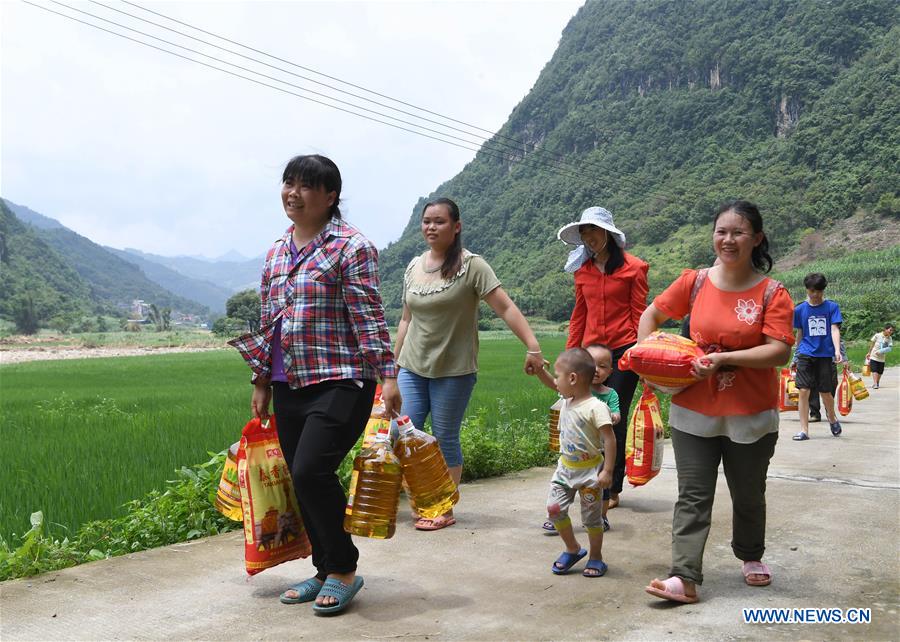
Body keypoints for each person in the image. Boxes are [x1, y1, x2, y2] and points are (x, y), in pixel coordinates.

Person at [229, 154, 400, 615]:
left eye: (305, 186)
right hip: (288, 381)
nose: (293, 193)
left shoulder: (351, 247)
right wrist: (261, 380)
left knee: (310, 471)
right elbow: (269, 322)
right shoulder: (276, 251)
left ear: (330, 196)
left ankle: (343, 567)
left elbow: (368, 316)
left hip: (342, 379)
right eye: (288, 183)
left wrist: (388, 375)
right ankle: (324, 569)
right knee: (300, 476)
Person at [639, 200, 794, 604]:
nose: (728, 239)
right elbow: (650, 315)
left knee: (748, 493)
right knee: (693, 494)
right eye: (721, 231)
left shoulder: (772, 292)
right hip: (693, 410)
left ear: (756, 239)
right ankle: (684, 575)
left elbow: (779, 351)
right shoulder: (695, 282)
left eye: (738, 232)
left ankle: (750, 554)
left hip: (751, 414)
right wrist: (647, 359)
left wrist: (724, 359)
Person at [393, 197, 544, 530]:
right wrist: (393, 364)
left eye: (439, 221)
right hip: (412, 367)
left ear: (456, 226)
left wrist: (533, 346)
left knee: (444, 437)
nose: (431, 227)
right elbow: (405, 319)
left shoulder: (472, 266)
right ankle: (422, 497)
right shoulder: (414, 266)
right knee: (402, 434)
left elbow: (505, 308)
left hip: (454, 370)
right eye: (427, 221)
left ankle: (443, 507)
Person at [558, 206, 649, 511]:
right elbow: (579, 316)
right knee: (587, 418)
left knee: (613, 417)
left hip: (624, 351)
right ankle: (589, 480)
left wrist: (642, 356)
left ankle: (611, 489)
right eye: (584, 231)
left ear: (608, 232)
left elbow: (639, 315)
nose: (588, 236)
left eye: (593, 230)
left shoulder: (635, 268)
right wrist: (570, 355)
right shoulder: (582, 272)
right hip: (591, 354)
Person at [535, 348, 616, 577]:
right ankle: (573, 549)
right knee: (554, 509)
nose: (555, 382)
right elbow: (551, 384)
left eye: (558, 376)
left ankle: (596, 557)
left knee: (591, 519)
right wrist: (539, 371)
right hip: (565, 469)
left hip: (590, 473)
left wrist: (608, 470)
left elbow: (610, 439)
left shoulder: (596, 407)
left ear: (572, 378)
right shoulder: (567, 399)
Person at [791, 273, 844, 441]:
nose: (815, 294)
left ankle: (832, 418)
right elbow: (800, 333)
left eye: (819, 291)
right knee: (803, 390)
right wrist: (796, 356)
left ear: (823, 290)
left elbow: (834, 329)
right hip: (806, 353)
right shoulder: (800, 309)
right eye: (812, 291)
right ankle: (804, 430)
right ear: (807, 290)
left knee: (825, 392)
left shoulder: (832, 307)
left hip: (825, 354)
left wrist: (837, 351)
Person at [867, 323, 894, 389]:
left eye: (892, 330)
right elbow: (872, 344)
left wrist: (881, 351)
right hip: (874, 356)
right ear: (885, 329)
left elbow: (890, 348)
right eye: (890, 330)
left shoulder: (890, 338)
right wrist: (869, 353)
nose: (891, 332)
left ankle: (877, 382)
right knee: (874, 370)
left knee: (880, 372)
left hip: (882, 358)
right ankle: (875, 383)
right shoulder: (877, 335)